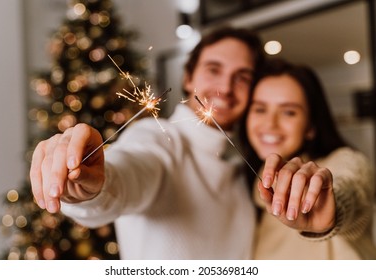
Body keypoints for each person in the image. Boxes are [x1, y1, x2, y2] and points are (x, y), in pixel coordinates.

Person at [29, 26, 265, 259]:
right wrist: (91, 188)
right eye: (214, 70)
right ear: (188, 78)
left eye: (242, 77)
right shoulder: (158, 136)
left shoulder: (243, 166)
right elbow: (129, 172)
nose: (226, 87)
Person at [239, 58, 376, 259]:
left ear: (311, 126)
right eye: (260, 109)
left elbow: (351, 187)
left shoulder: (344, 161)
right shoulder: (248, 188)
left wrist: (333, 209)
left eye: (289, 112)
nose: (270, 123)